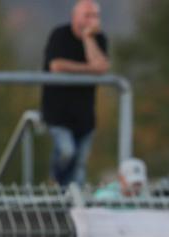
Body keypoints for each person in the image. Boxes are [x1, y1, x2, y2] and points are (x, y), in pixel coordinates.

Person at [41, 0, 109, 187]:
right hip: (58, 113)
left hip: (85, 116)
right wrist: (89, 69)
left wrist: (88, 38)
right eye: (87, 15)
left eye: (95, 16)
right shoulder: (60, 35)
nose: (92, 20)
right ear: (74, 17)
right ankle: (55, 183)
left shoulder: (99, 39)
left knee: (79, 165)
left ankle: (73, 207)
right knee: (66, 151)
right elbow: (56, 65)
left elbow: (101, 67)